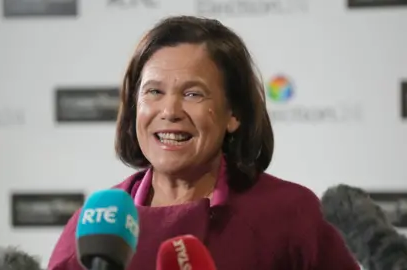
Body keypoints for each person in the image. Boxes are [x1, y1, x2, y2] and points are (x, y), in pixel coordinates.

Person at [48, 15, 359, 270]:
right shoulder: (96, 226)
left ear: (233, 113)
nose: (169, 111)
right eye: (154, 92)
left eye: (192, 94)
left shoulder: (292, 215)